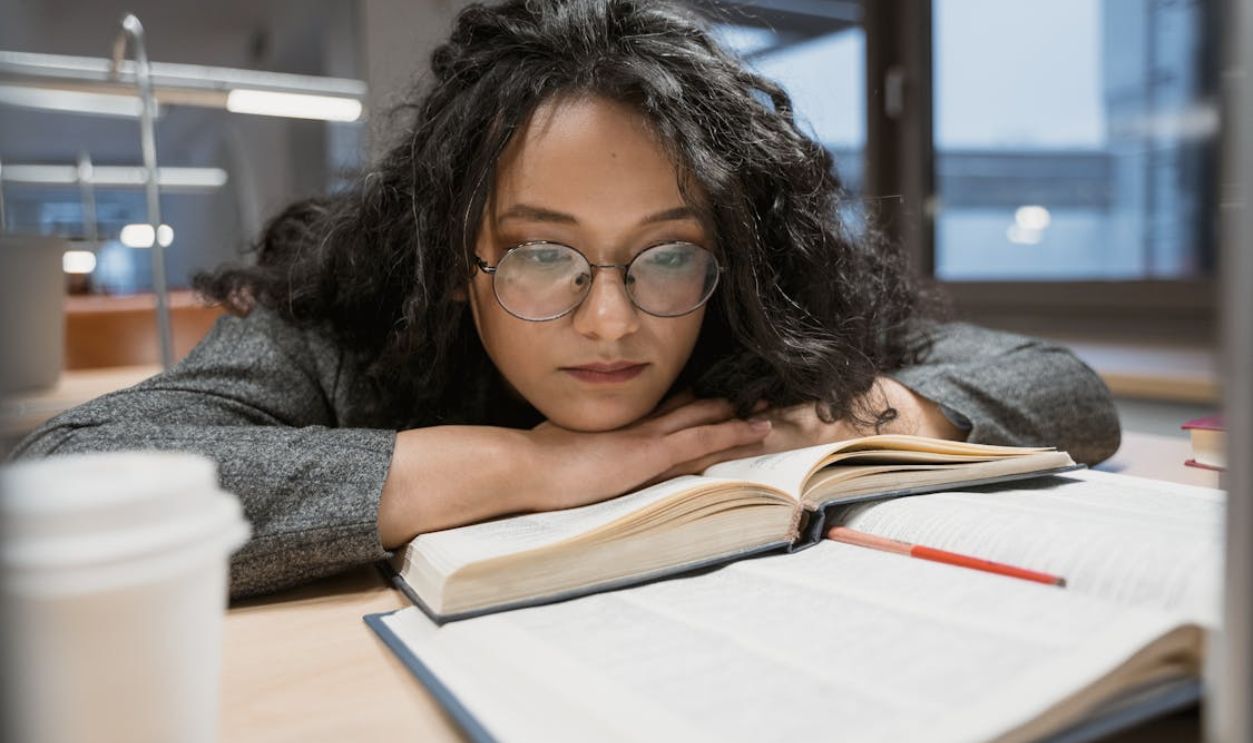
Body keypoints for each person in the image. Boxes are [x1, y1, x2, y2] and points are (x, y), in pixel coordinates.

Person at [12, 0, 1119, 598]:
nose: (609, 322)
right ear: (456, 255)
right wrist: (529, 464)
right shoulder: (335, 335)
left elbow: (1058, 384)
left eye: (666, 257)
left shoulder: (758, 322)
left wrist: (857, 413)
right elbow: (67, 477)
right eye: (543, 256)